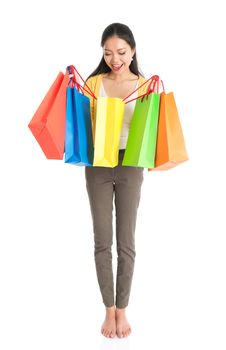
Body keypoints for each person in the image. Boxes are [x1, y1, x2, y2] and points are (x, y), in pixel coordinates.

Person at [83, 23, 148, 339]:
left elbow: (152, 130)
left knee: (126, 241)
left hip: (130, 165)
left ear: (133, 50)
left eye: (121, 52)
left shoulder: (146, 84)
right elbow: (79, 122)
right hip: (97, 163)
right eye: (108, 53)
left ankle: (123, 309)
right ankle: (108, 309)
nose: (114, 58)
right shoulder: (94, 83)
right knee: (102, 240)